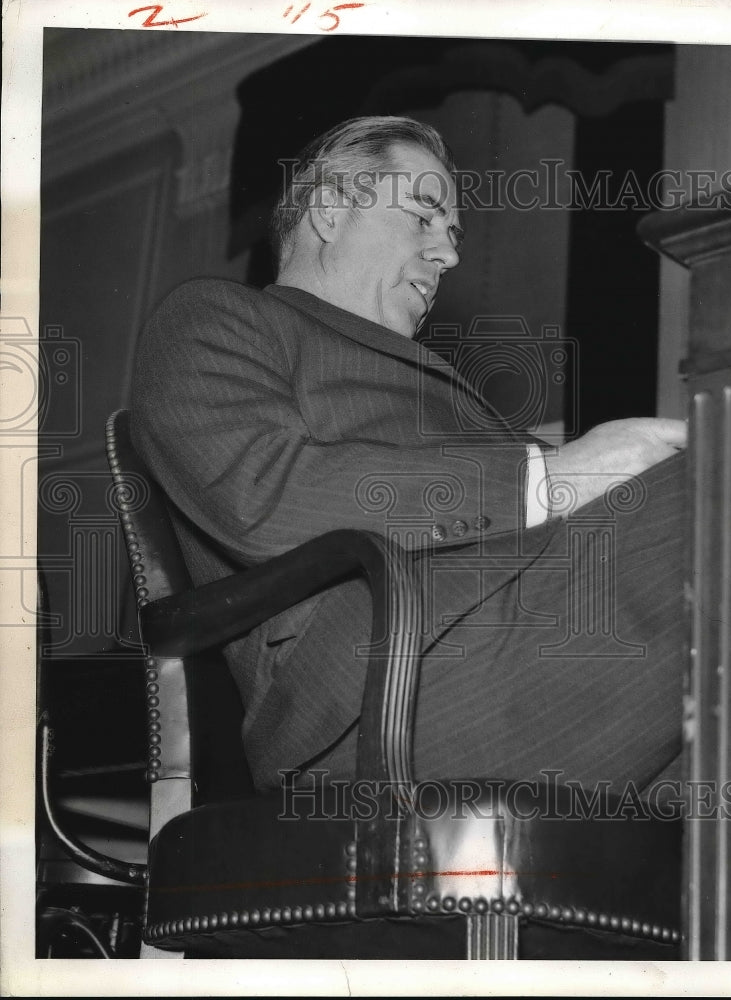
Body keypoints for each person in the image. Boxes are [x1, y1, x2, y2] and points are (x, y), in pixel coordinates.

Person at [131, 115, 686, 795]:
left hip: (540, 642)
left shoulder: (455, 394)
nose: (450, 254)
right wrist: (558, 474)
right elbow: (263, 495)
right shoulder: (217, 319)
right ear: (332, 209)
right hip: (388, 693)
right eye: (425, 216)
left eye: (453, 233)